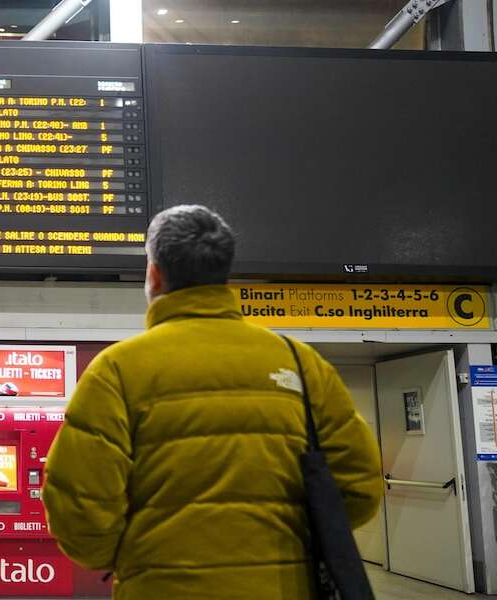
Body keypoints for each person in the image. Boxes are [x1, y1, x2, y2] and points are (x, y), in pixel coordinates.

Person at [42, 205, 383, 599]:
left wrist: (130, 555)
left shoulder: (118, 369)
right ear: (224, 274)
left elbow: (79, 505)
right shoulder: (301, 363)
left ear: (154, 274)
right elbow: (360, 488)